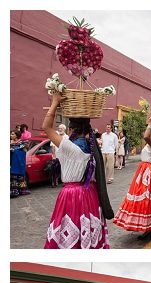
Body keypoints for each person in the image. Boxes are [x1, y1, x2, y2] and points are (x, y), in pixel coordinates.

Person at [41, 92, 113, 249]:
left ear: (70, 128)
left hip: (72, 195)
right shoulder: (91, 147)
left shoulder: (69, 146)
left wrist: (54, 103)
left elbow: (46, 127)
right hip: (90, 194)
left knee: (69, 227)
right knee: (87, 225)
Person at [112, 114, 151, 237]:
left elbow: (146, 136)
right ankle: (145, 224)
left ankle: (147, 226)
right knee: (144, 198)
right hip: (146, 171)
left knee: (147, 199)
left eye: (148, 129)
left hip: (150, 173)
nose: (145, 131)